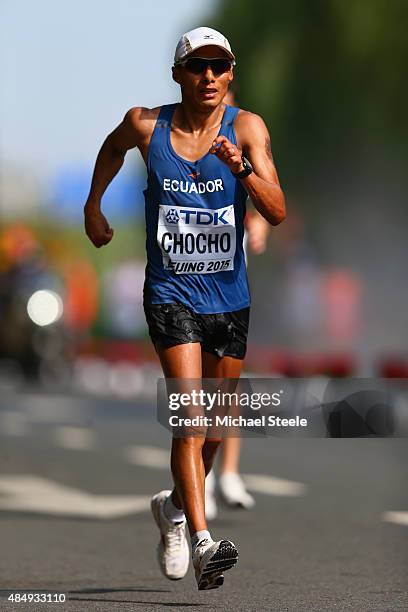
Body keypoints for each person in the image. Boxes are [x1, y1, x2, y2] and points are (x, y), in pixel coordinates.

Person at [84, 26, 285, 591]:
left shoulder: (247, 129)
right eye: (198, 67)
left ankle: (172, 508)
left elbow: (277, 210)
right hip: (171, 294)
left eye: (219, 67)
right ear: (178, 74)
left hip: (230, 298)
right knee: (190, 418)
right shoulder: (147, 125)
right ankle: (202, 542)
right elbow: (111, 148)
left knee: (217, 430)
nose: (209, 78)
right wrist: (92, 205)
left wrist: (241, 167)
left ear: (230, 73)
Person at [204, 87, 270, 520]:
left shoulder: (245, 127)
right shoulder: (178, 134)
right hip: (184, 285)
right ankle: (201, 483)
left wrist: (260, 225)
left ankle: (228, 472)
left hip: (229, 282)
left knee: (229, 385)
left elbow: (266, 188)